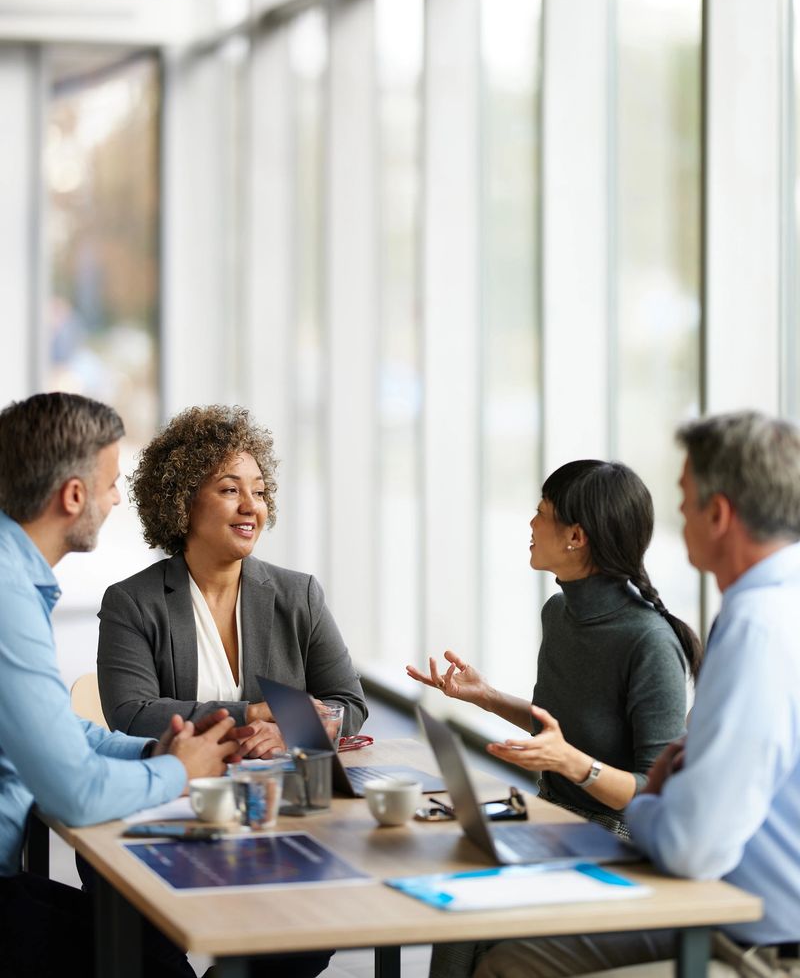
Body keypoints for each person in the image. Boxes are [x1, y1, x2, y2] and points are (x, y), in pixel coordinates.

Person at [472, 411, 800, 978]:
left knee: (509, 959)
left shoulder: (752, 628)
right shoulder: (771, 608)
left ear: (718, 514)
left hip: (745, 930)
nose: (675, 516)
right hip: (727, 903)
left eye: (685, 499)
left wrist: (655, 801)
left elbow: (691, 844)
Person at [0, 392, 242, 978]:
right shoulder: (7, 594)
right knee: (145, 956)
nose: (115, 500)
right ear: (73, 495)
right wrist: (181, 773)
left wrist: (158, 752)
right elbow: (76, 796)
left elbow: (59, 729)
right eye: (110, 484)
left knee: (139, 938)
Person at [408, 460, 702, 835]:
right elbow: (556, 728)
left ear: (576, 537)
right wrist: (485, 696)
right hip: (551, 816)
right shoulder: (558, 612)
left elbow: (656, 793)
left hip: (619, 840)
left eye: (541, 512)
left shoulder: (650, 643)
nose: (531, 524)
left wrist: (572, 764)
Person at [98, 404, 367, 759]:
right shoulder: (132, 602)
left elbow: (348, 702)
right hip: (183, 794)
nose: (250, 506)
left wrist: (291, 732)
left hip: (283, 794)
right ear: (182, 501)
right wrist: (252, 714)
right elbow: (132, 714)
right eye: (230, 490)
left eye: (258, 492)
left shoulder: (300, 595)